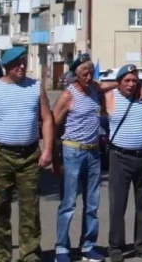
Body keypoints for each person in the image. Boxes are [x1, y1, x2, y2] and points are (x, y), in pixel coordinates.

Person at [0, 46, 54, 262]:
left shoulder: (36, 88)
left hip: (29, 155)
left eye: (24, 62)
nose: (22, 66)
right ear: (6, 66)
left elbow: (47, 119)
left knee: (30, 207)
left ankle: (29, 253)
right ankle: (1, 255)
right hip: (0, 155)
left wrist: (47, 150)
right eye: (17, 63)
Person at [53, 54, 113, 262]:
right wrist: (55, 157)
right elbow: (52, 126)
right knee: (68, 203)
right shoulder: (67, 96)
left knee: (92, 203)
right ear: (76, 76)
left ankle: (87, 246)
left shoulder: (94, 90)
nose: (88, 77)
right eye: (84, 74)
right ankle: (62, 248)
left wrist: (131, 81)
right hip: (72, 151)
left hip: (93, 152)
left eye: (90, 73)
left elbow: (106, 85)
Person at [104, 64, 142, 261]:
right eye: (127, 80)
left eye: (134, 80)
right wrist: (113, 84)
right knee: (118, 204)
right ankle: (115, 246)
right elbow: (94, 84)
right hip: (119, 158)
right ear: (119, 82)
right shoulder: (110, 96)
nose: (131, 84)